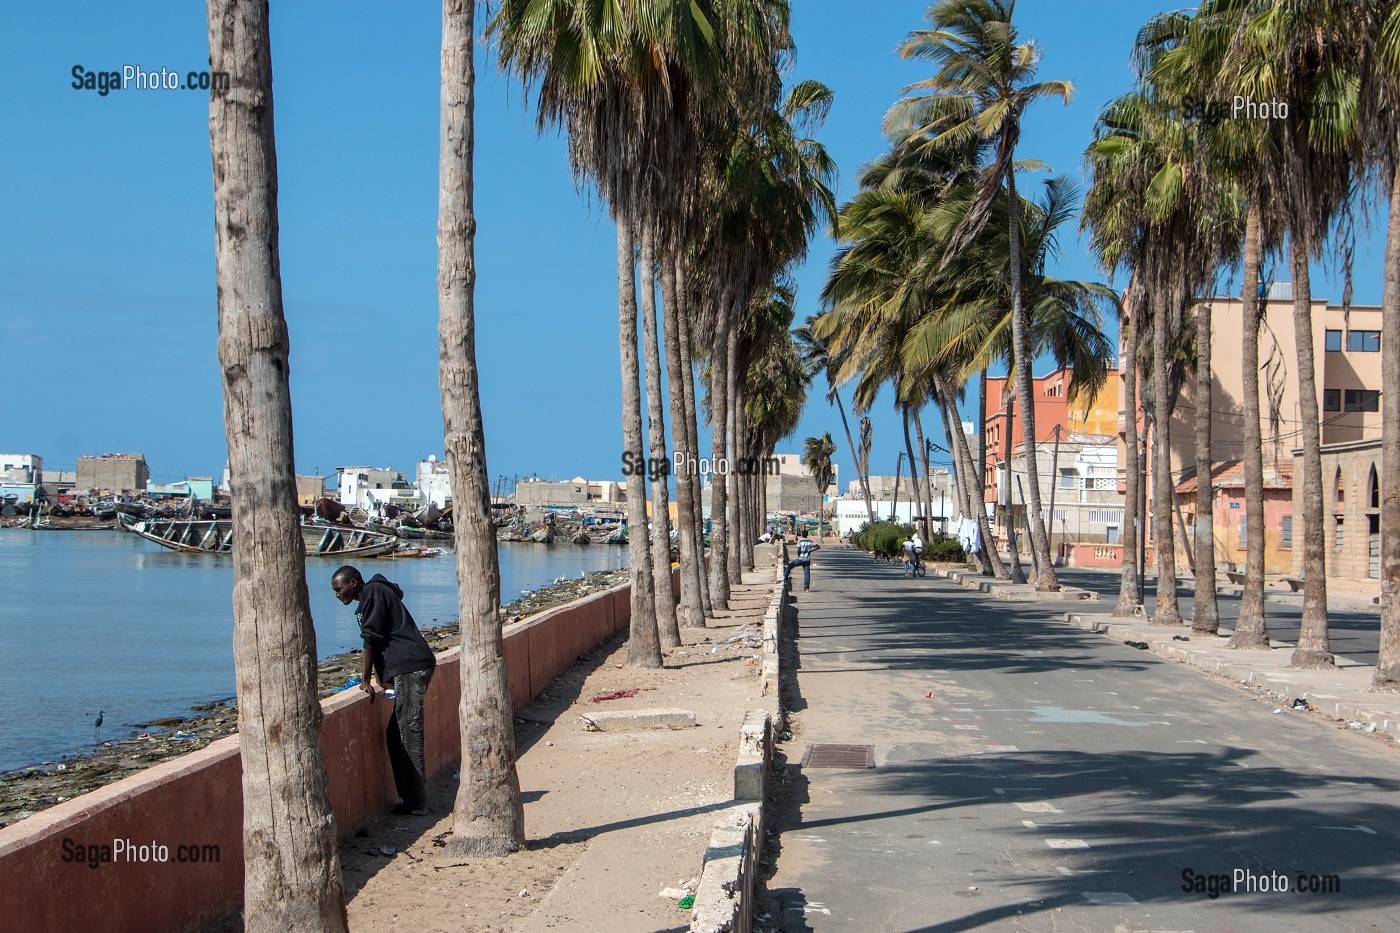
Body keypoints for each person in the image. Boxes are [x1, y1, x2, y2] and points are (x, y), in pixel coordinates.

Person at [333, 566, 437, 815]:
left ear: (354, 583)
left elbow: (371, 637)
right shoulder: (372, 595)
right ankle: (410, 798)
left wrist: (365, 678)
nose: (337, 595)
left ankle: (417, 803)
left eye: (339, 589)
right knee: (394, 734)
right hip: (405, 669)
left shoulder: (373, 593)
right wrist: (384, 678)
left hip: (411, 667)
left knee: (408, 733)